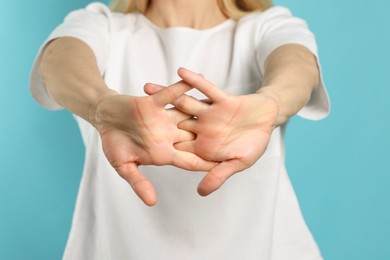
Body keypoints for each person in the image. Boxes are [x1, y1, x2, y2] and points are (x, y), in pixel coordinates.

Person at [30, 0, 330, 259]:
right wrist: (101, 107)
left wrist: (271, 103)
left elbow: (298, 66)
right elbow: (60, 59)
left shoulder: (269, 25)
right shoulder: (101, 24)